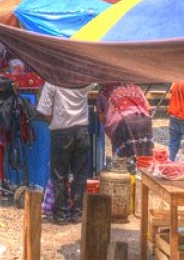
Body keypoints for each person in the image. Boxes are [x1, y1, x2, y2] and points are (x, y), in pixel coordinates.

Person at [37, 81, 97, 224]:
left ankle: (61, 215)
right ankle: (77, 213)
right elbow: (94, 81)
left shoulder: (52, 82)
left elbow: (45, 112)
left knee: (59, 175)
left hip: (61, 132)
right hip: (82, 131)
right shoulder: (80, 79)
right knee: (80, 175)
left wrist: (58, 121)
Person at [96, 82, 154, 166]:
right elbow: (149, 109)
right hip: (145, 120)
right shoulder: (135, 87)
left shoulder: (104, 91)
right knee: (145, 159)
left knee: (123, 163)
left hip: (124, 122)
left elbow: (102, 118)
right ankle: (143, 172)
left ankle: (125, 171)